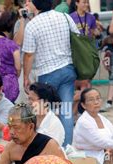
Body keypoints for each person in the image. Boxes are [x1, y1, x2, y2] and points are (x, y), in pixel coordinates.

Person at [22, 0, 79, 146]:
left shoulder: (33, 25)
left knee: (45, 114)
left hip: (47, 73)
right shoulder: (64, 17)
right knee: (66, 112)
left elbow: (28, 54)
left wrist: (26, 77)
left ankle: (49, 148)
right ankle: (67, 148)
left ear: (36, 5)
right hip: (68, 69)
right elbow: (77, 37)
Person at [73, 88, 113, 164]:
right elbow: (102, 142)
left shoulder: (102, 118)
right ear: (83, 105)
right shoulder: (83, 122)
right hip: (92, 159)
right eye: (91, 100)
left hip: (107, 153)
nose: (96, 102)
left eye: (98, 98)